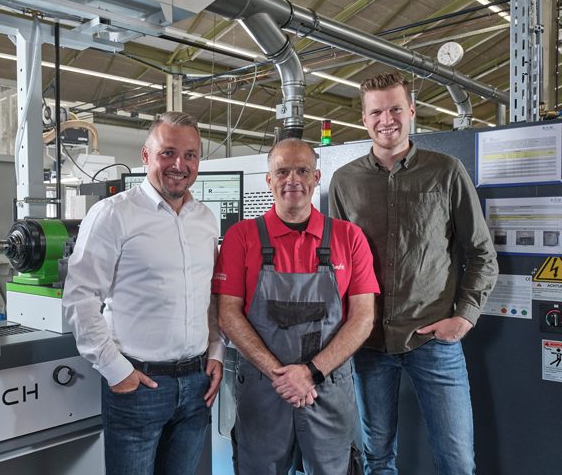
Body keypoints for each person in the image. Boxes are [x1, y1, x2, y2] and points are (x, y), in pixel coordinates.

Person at [328, 71, 499, 474]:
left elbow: (481, 254)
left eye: (395, 109)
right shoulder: (344, 181)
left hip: (433, 341)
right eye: (376, 112)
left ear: (412, 112)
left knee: (456, 461)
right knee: (377, 458)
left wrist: (464, 317)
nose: (386, 119)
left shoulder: (447, 172)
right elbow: (335, 265)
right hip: (368, 344)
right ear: (364, 118)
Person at [62, 111, 224, 475]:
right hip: (139, 385)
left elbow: (209, 294)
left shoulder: (205, 219)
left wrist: (217, 349)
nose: (179, 165)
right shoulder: (113, 214)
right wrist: (116, 369)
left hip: (197, 386)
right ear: (146, 156)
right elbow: (80, 297)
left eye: (190, 155)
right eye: (167, 152)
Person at [213, 138, 379, 475]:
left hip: (327, 389)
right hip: (263, 389)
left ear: (317, 177)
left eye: (302, 170)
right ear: (269, 180)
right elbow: (227, 313)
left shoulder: (349, 237)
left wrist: (311, 373)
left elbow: (363, 317)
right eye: (283, 171)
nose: (293, 179)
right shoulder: (241, 237)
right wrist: (281, 376)